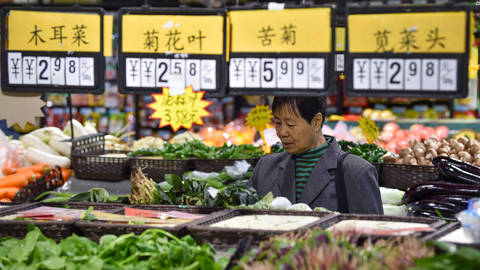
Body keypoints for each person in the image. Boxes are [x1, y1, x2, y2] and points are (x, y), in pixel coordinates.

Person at [248, 96, 383, 214]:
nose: (282, 132)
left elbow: (373, 235)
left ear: (316, 121)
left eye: (290, 124)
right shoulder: (265, 168)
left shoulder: (356, 172)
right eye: (278, 123)